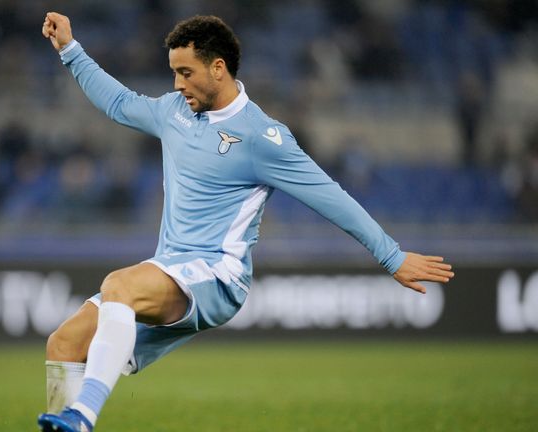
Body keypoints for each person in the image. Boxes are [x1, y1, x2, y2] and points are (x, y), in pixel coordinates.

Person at [38, 12, 455, 432]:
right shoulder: (174, 112)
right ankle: (65, 425)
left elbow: (331, 197)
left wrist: (392, 256)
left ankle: (82, 414)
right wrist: (70, 50)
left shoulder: (262, 137)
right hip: (171, 268)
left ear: (218, 69)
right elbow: (117, 101)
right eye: (173, 73)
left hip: (218, 275)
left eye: (186, 72)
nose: (177, 84)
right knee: (65, 343)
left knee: (119, 285)